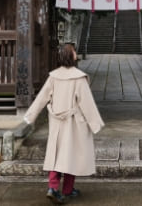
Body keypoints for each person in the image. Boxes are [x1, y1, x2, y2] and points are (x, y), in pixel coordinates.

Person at [23, 43, 104, 204]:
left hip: (56, 122)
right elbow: (86, 103)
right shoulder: (78, 77)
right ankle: (68, 189)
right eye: (74, 51)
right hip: (73, 123)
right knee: (71, 155)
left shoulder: (53, 76)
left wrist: (29, 117)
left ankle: (52, 187)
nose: (76, 53)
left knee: (56, 154)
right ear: (70, 56)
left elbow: (41, 98)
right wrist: (95, 124)